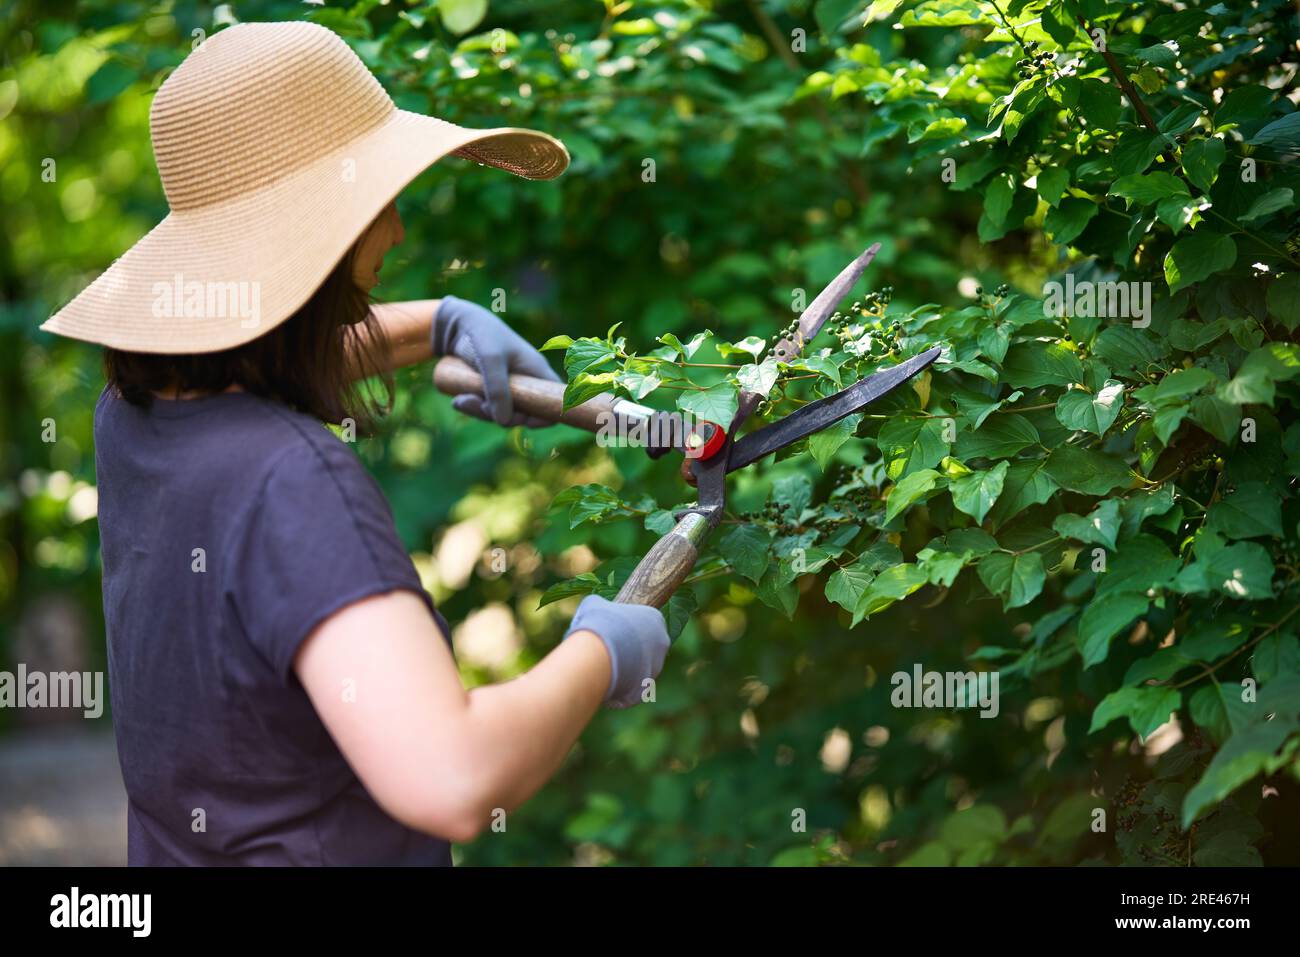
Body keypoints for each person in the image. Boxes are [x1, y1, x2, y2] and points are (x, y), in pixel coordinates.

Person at [40, 20, 671, 865]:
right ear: (324, 231)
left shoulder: (134, 415)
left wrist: (441, 325)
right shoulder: (291, 482)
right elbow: (452, 776)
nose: (400, 232)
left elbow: (255, 352)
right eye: (383, 201)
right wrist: (602, 647)